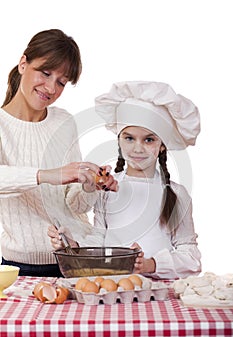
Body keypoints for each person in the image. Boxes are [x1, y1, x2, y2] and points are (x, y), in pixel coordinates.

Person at [49, 81, 202, 279]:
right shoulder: (107, 190)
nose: (138, 148)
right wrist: (74, 246)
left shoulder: (177, 194)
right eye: (129, 138)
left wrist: (150, 265)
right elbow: (99, 240)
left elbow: (190, 256)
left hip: (159, 291)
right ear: (119, 140)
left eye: (149, 139)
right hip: (112, 287)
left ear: (162, 145)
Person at [0, 29, 117, 277]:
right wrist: (49, 174)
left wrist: (89, 184)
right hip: (24, 267)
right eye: (45, 73)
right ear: (23, 64)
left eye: (62, 82)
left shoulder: (63, 121)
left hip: (77, 258)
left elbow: (75, 204)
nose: (51, 87)